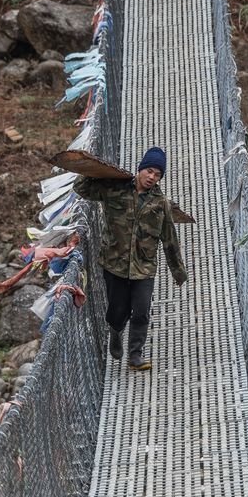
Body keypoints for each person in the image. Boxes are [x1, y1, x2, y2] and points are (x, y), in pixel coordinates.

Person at [73, 146, 188, 371]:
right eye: (150, 171)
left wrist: (178, 272)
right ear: (141, 169)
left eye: (157, 175)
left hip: (144, 267)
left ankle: (135, 355)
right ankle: (115, 331)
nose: (152, 177)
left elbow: (169, 240)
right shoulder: (114, 189)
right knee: (118, 311)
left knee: (142, 311)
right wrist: (90, 169)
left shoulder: (160, 204)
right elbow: (81, 188)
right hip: (114, 263)